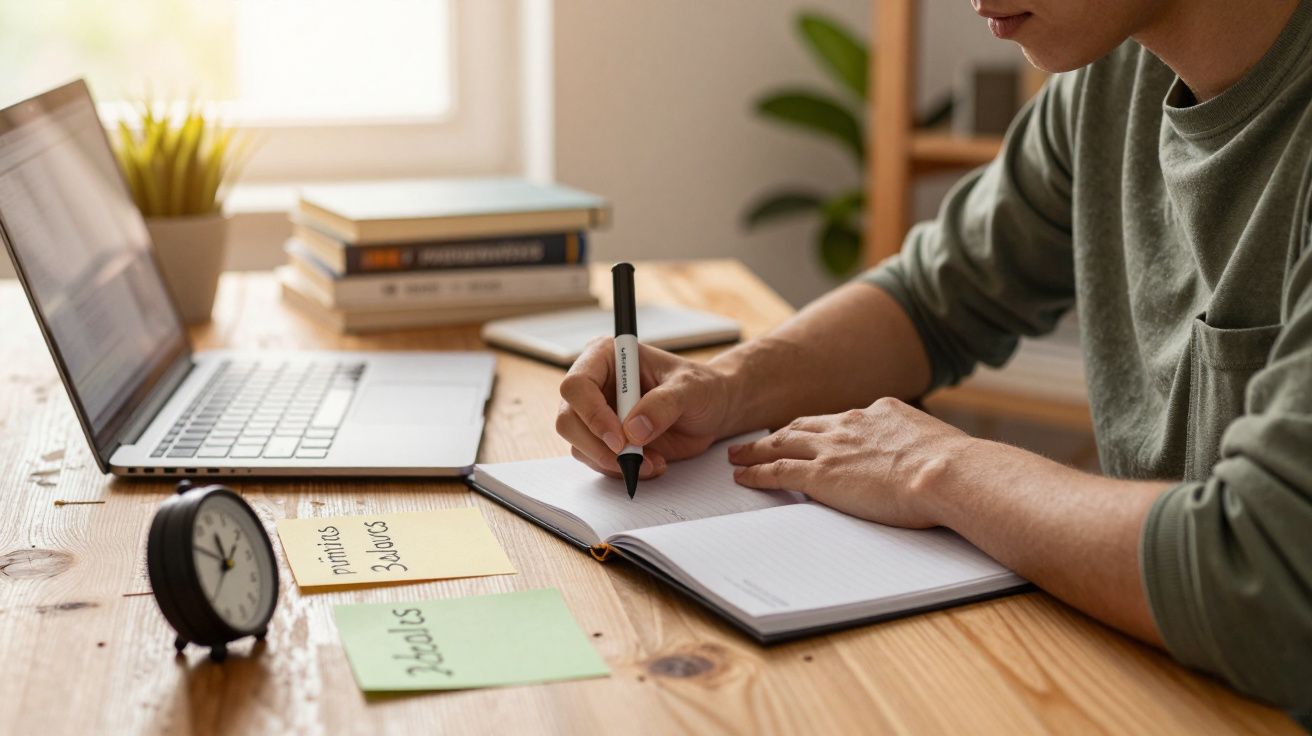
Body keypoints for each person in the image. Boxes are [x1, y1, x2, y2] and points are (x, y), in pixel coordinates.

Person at [555, 0, 1312, 712]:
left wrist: (937, 470)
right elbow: (935, 296)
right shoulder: (1114, 78)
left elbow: (1264, 566)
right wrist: (725, 384)